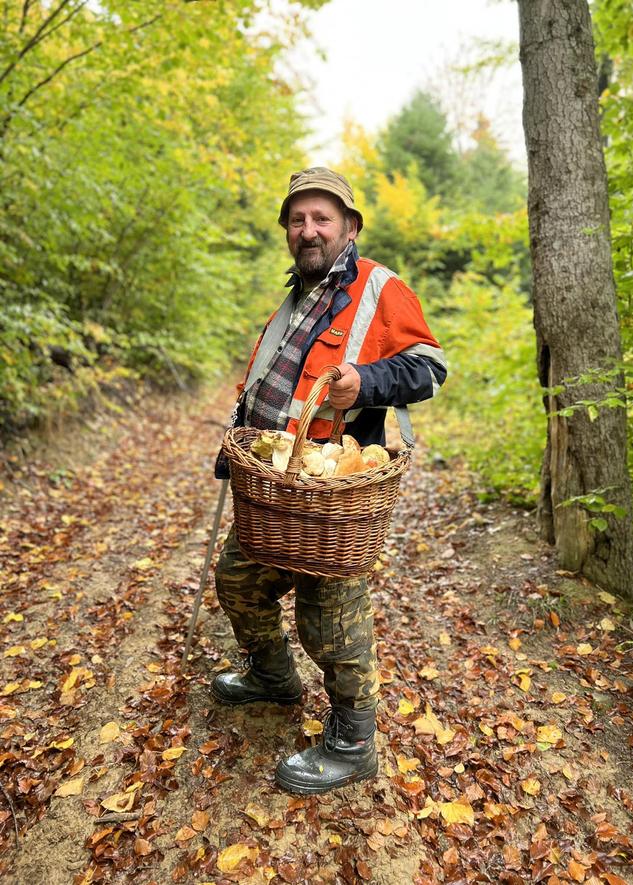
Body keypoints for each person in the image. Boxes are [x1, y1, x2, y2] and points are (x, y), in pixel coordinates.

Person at [211, 167, 446, 795]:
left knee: (330, 618)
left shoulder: (379, 288)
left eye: (322, 218)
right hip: (277, 490)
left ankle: (352, 742)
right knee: (235, 578)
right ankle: (273, 678)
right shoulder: (293, 301)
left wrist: (365, 383)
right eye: (298, 219)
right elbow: (265, 389)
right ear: (288, 231)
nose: (308, 229)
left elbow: (431, 369)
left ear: (350, 227)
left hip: (336, 497)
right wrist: (233, 457)